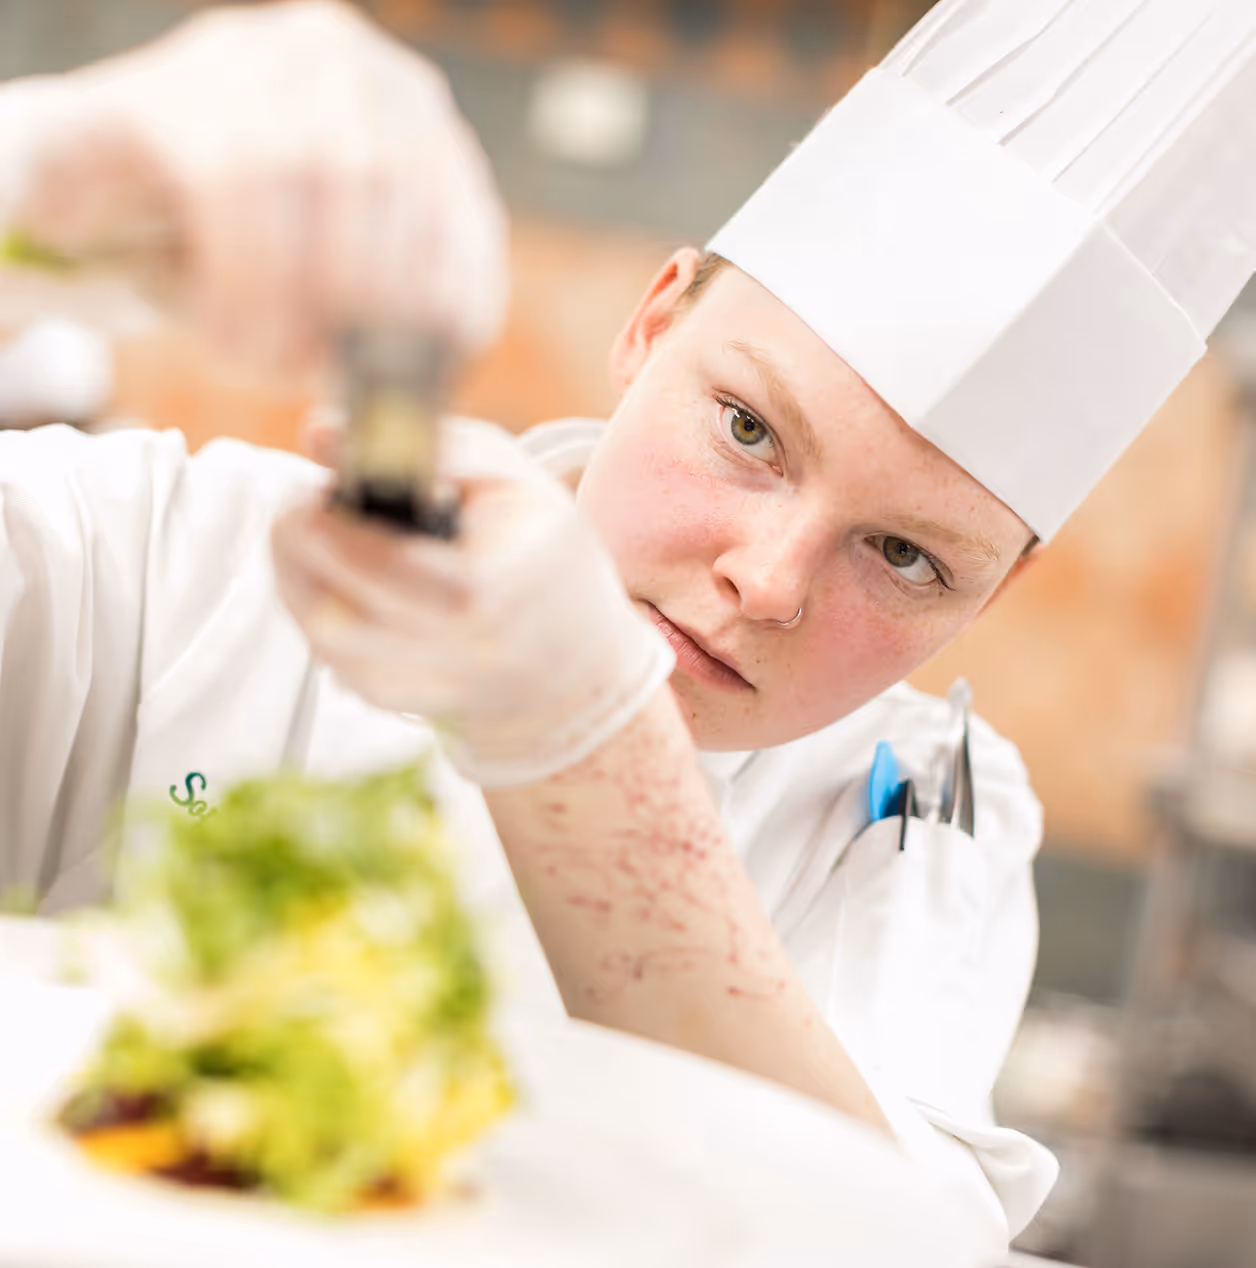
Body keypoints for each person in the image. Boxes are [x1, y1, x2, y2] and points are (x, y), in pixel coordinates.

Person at [1, 0, 1253, 1255]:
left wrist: (584, 749)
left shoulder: (915, 817)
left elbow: (887, 1241)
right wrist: (39, 180)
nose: (767, 581)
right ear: (650, 324)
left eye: (906, 555)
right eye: (748, 430)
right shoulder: (179, 552)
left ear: (993, 592)